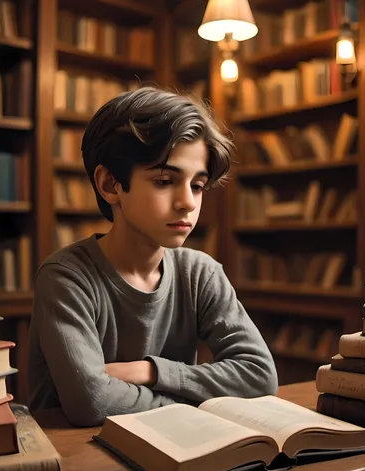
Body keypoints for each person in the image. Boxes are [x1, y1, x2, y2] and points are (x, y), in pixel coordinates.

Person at [28, 86, 278, 426]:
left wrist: (151, 371)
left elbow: (259, 376)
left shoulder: (200, 272)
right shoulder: (66, 276)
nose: (188, 202)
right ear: (110, 184)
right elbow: (93, 401)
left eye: (198, 185)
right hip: (76, 461)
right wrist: (195, 399)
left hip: (172, 450)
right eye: (164, 180)